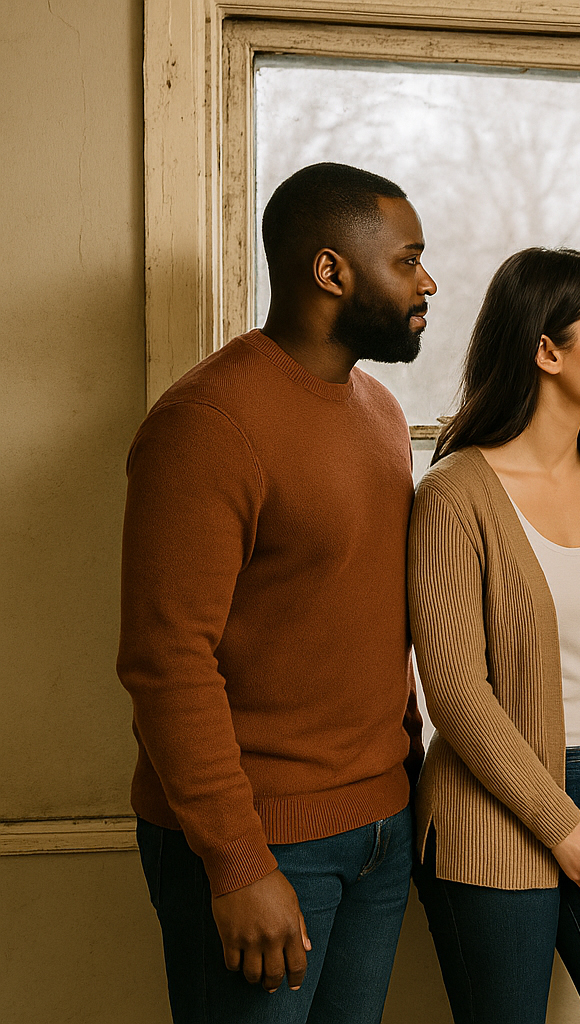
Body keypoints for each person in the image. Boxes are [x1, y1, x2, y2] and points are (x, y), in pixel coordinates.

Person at [118, 161, 435, 1023]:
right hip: (261, 841)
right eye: (407, 260)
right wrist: (238, 861)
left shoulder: (380, 412)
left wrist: (404, 789)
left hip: (379, 826)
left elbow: (366, 618)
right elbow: (165, 659)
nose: (427, 282)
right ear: (331, 271)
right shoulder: (206, 424)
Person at [408, 247, 580, 1024]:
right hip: (491, 813)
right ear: (547, 350)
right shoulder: (454, 495)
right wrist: (561, 825)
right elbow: (457, 691)